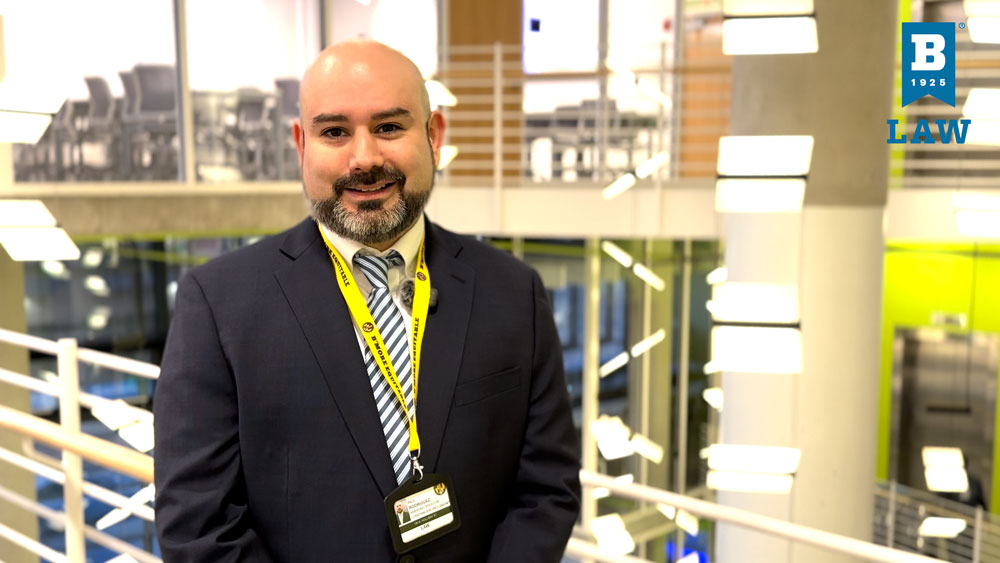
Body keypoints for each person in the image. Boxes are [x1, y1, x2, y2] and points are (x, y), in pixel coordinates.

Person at [153, 40, 581, 562]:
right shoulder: (218, 305)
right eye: (334, 132)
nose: (365, 159)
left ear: (435, 136)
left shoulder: (513, 293)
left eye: (389, 127)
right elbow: (199, 525)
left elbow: (546, 491)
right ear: (300, 145)